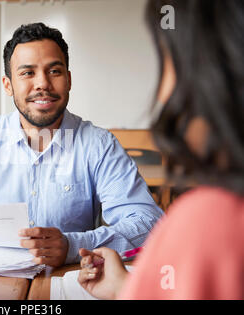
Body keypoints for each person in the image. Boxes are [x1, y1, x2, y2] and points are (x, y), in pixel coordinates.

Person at [0, 23, 163, 267]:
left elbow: (148, 223)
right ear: (8, 85)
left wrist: (73, 245)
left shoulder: (98, 144)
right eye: (27, 73)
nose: (42, 84)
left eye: (54, 71)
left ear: (68, 80)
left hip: (70, 279)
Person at [78, 0, 244, 299]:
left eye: (166, 62)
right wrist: (124, 288)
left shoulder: (206, 221)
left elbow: (146, 220)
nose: (162, 92)